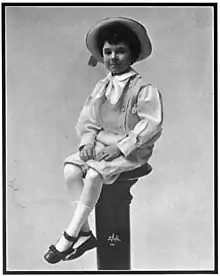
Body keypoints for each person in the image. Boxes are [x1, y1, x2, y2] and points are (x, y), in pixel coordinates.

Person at [44, 17, 163, 264]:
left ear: (132, 55)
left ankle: (69, 234)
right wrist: (87, 142)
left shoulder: (143, 89)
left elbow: (151, 124)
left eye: (120, 52)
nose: (113, 58)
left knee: (94, 175)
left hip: (130, 151)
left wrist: (120, 146)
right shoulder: (101, 87)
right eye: (108, 52)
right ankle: (86, 233)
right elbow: (89, 119)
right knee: (70, 169)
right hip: (100, 147)